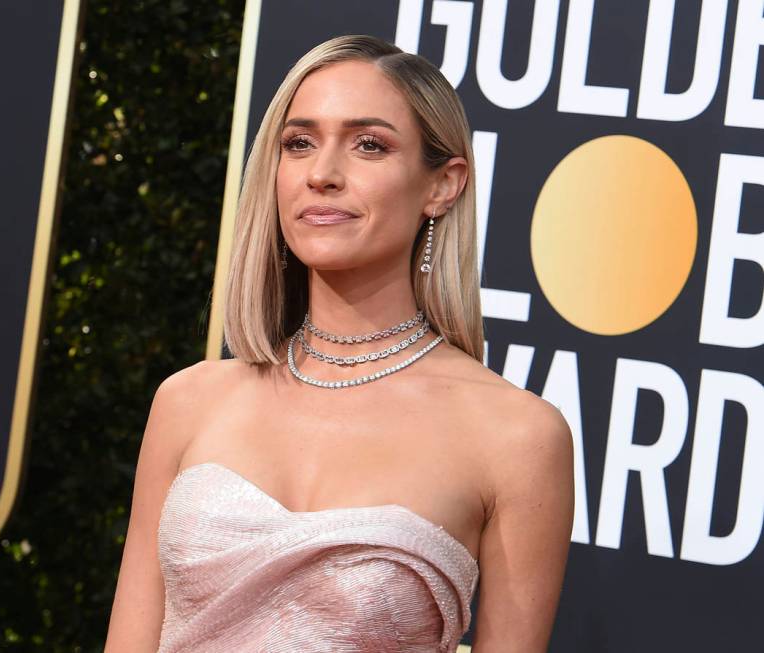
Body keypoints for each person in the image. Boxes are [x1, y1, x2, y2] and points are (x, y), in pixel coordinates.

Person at [104, 34, 574, 653]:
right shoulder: (188, 401)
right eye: (299, 143)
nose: (322, 175)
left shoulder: (517, 437)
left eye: (369, 145)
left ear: (443, 184)